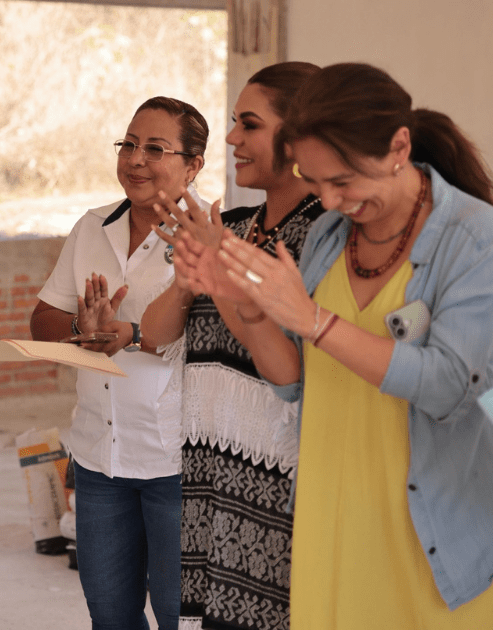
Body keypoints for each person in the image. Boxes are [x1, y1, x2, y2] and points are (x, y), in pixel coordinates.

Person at [204, 63, 493, 628]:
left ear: (399, 147)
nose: (328, 201)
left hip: (429, 529)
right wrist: (245, 304)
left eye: (343, 181)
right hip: (331, 512)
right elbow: (296, 382)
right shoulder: (330, 235)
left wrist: (314, 320)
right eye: (314, 180)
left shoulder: (476, 234)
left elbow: (450, 387)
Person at [141, 62, 321, 630]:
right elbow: (156, 336)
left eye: (250, 124)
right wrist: (190, 274)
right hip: (210, 462)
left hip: (276, 475)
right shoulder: (232, 225)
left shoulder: (322, 237)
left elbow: (290, 372)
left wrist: (217, 267)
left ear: (300, 133)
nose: (232, 137)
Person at [30, 96, 209, 630]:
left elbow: (216, 341)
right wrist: (80, 328)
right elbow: (43, 320)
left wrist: (129, 335)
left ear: (193, 165)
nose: (135, 160)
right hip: (98, 458)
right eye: (128, 144)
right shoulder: (93, 226)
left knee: (181, 616)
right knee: (109, 614)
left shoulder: (212, 235)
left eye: (155, 148)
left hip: (176, 461)